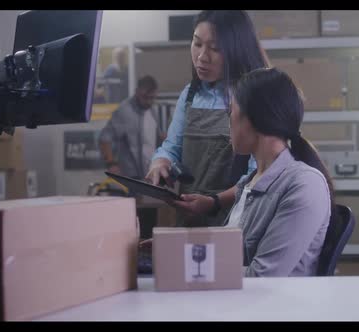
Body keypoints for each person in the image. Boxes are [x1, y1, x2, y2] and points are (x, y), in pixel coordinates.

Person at [145, 10, 269, 227]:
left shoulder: (254, 97)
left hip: (236, 223)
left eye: (215, 48)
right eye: (197, 43)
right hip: (189, 216)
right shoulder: (190, 94)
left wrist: (214, 202)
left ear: (236, 50)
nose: (202, 57)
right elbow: (172, 146)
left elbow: (258, 175)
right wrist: (160, 162)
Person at [222, 67, 334, 277]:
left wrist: (194, 267)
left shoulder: (304, 185)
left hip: (275, 308)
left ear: (252, 120)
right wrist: (176, 248)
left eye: (232, 112)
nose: (229, 122)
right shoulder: (251, 182)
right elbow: (225, 248)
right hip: (237, 303)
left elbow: (262, 278)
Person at [100, 75, 161, 180]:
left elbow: (158, 137)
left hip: (151, 172)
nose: (149, 101)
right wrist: (111, 163)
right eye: (145, 97)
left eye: (152, 98)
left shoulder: (152, 110)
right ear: (137, 92)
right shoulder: (124, 111)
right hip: (132, 175)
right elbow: (104, 138)